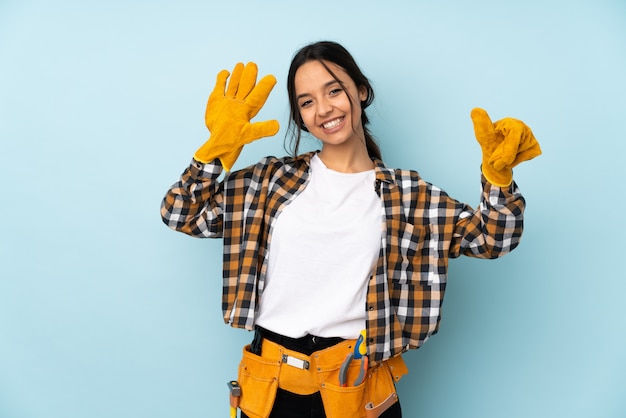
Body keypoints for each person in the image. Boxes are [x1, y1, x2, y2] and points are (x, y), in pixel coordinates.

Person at [160, 41, 541, 418]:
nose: (324, 109)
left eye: (334, 90)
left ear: (360, 91)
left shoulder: (409, 195)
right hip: (269, 386)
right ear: (299, 115)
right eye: (307, 101)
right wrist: (214, 152)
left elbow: (495, 237)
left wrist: (497, 178)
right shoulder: (269, 181)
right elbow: (180, 212)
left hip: (357, 386)